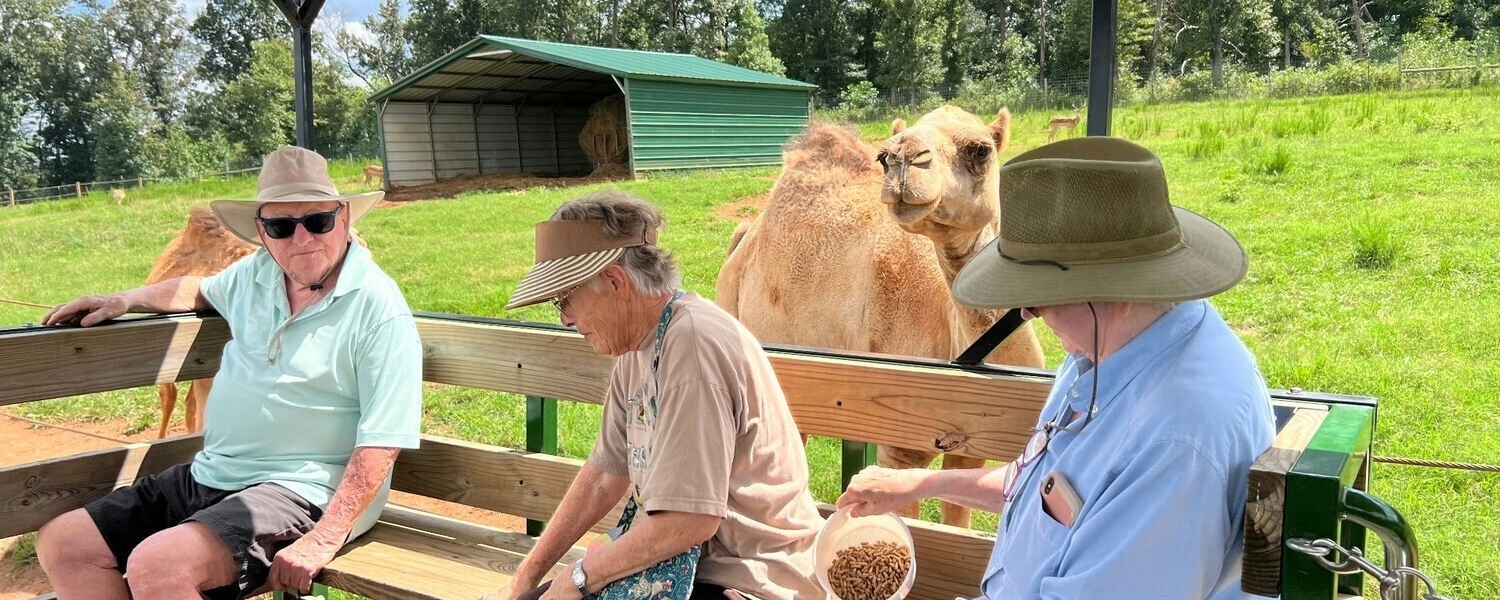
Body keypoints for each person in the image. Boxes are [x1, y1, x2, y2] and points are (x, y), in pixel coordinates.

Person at [837, 137, 1276, 599]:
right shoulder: (1107, 345)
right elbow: (1048, 489)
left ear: (1115, 284)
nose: (1028, 312)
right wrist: (918, 483)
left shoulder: (1175, 442)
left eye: (1040, 292)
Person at [35, 146, 423, 599]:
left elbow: (384, 438)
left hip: (307, 489)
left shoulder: (376, 306)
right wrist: (125, 300)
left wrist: (325, 537)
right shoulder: (256, 274)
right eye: (281, 226)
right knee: (65, 543)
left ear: (343, 218)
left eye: (317, 221)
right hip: (214, 473)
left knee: (159, 565)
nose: (302, 239)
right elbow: (197, 289)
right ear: (262, 231)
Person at [488, 191, 823, 600]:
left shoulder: (692, 346)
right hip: (686, 564)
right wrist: (525, 579)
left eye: (566, 298)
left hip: (750, 578)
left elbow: (690, 521)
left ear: (615, 281)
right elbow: (604, 475)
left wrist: (579, 576)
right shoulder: (639, 345)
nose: (565, 318)